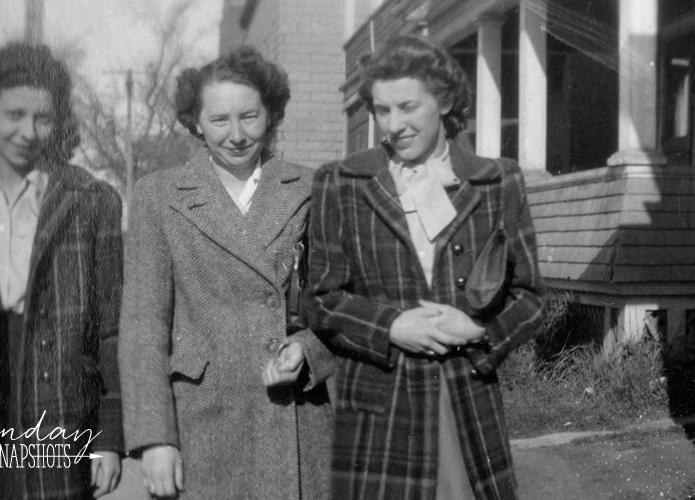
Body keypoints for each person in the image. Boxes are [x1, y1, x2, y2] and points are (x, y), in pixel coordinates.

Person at [306, 35, 546, 500]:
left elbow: (530, 296)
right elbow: (320, 298)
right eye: (382, 110)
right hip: (381, 409)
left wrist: (479, 330)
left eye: (408, 107)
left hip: (466, 401)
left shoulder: (497, 181)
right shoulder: (341, 183)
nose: (393, 125)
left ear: (445, 101)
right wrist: (391, 324)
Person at [119, 45, 334, 500]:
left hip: (296, 416)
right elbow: (143, 326)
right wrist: (155, 438)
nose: (235, 135)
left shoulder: (312, 188)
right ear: (196, 121)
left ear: (271, 115)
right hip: (204, 424)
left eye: (249, 117)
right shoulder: (159, 196)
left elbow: (339, 307)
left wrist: (308, 352)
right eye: (219, 120)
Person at [0, 42, 124, 500]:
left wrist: (110, 438)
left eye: (43, 118)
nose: (28, 132)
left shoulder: (92, 202)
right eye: (13, 115)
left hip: (56, 414)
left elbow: (115, 329)